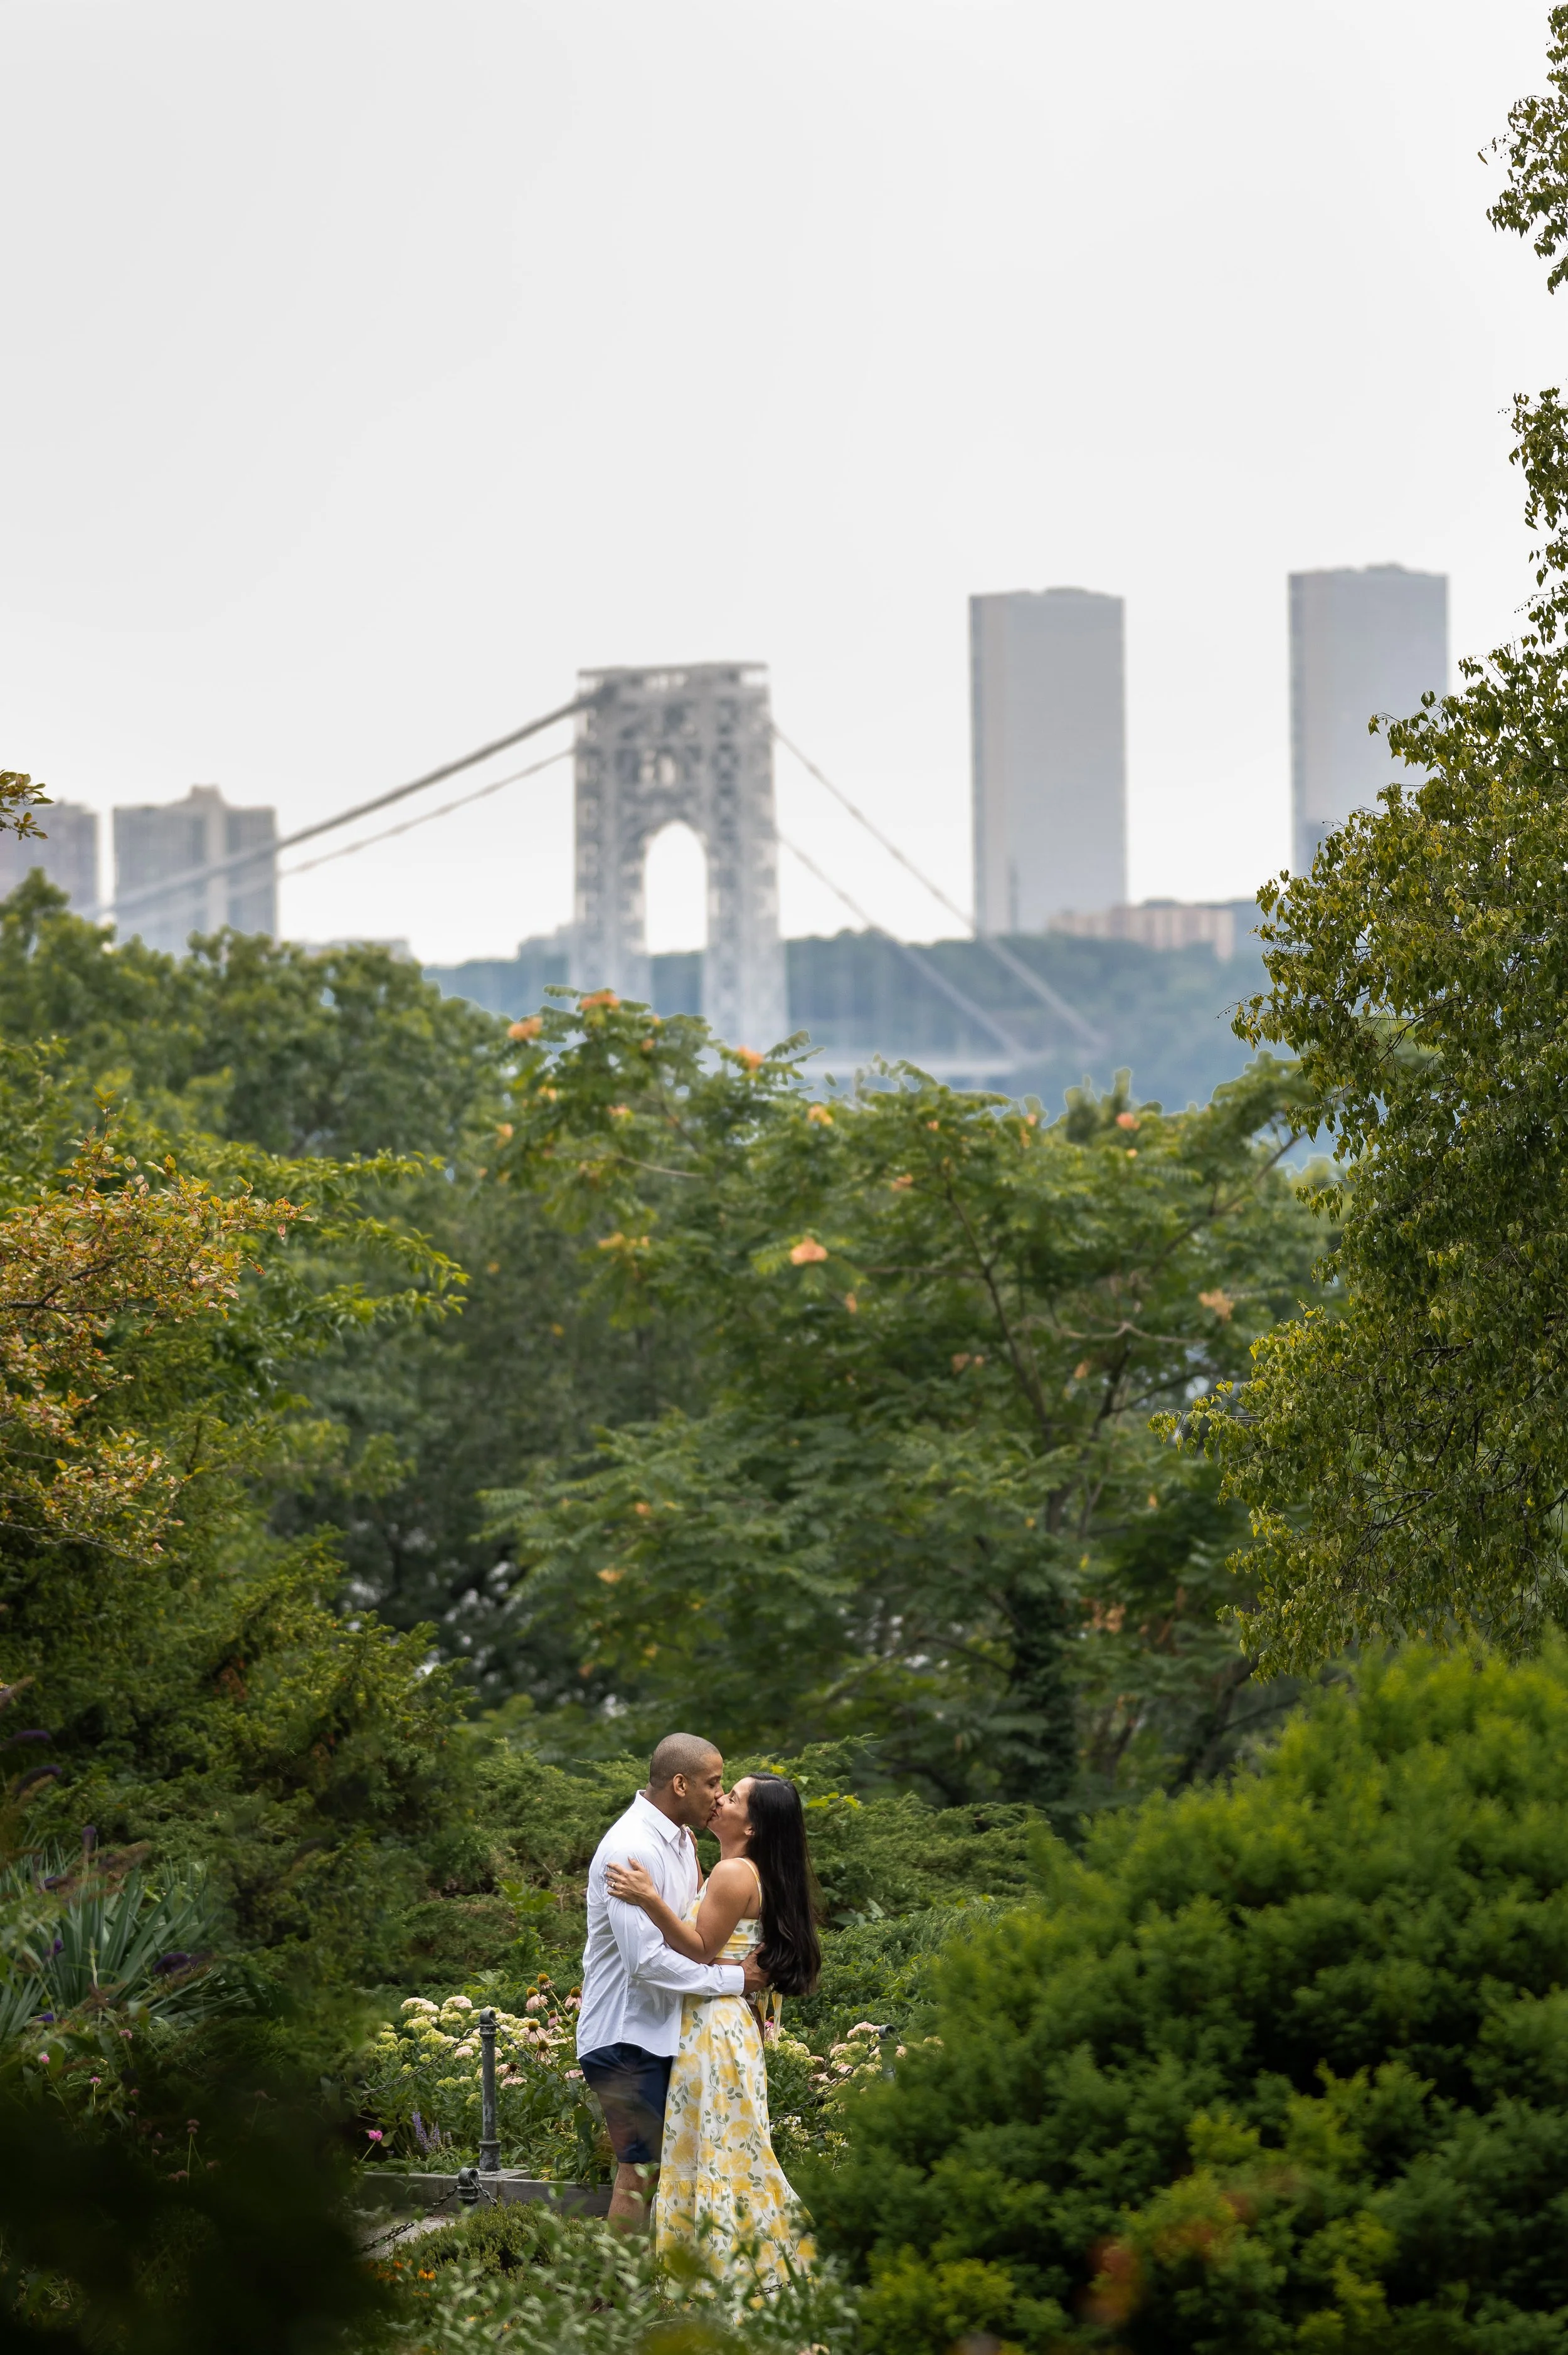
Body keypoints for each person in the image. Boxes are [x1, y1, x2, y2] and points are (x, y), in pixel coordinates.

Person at [606, 1769, 821, 2289]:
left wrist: (650, 1897)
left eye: (735, 1796)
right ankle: (745, 2270)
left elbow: (700, 1948)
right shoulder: (736, 1871)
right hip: (725, 2021)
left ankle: (717, 2278)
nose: (721, 1799)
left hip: (711, 2026)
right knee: (724, 2151)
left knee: (709, 2152)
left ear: (752, 1826)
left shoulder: (734, 1875)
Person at [578, 1733, 771, 2230]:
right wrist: (734, 1979)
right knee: (639, 2176)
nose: (719, 1794)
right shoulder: (629, 1849)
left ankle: (659, 2290)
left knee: (677, 2173)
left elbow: (691, 1935)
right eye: (713, 1782)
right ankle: (613, 2301)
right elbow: (646, 1961)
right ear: (680, 1783)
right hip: (627, 2034)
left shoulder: (685, 1841)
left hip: (673, 2032)